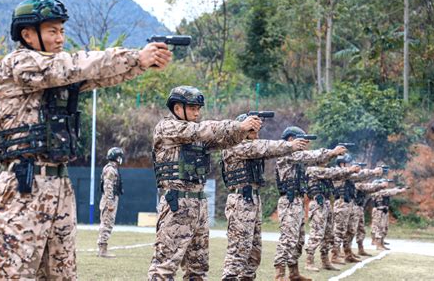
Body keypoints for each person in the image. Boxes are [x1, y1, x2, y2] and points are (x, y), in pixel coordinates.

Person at [0, 0, 172, 280]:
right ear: (27, 34)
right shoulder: (18, 64)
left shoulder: (58, 73)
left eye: (62, 31)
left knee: (61, 273)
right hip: (23, 187)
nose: (60, 38)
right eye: (52, 31)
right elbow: (75, 66)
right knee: (10, 273)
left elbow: (100, 76)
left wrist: (143, 63)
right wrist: (136, 56)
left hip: (59, 186)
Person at [147, 86, 262, 280]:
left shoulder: (196, 134)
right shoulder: (167, 127)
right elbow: (202, 130)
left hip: (198, 205)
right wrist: (238, 125)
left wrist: (243, 132)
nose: (197, 112)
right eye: (192, 107)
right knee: (165, 267)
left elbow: (224, 140)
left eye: (198, 107)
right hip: (177, 205)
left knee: (198, 268)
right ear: (177, 108)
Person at [220, 119, 309, 280]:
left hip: (253, 199)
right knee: (239, 249)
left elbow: (264, 148)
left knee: (254, 252)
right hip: (241, 199)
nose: (257, 135)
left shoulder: (251, 147)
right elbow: (266, 147)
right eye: (253, 131)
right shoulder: (236, 146)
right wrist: (290, 145)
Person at [273, 126, 347, 281]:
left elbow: (315, 159)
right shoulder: (286, 153)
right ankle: (279, 275)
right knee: (288, 239)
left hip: (297, 201)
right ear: (291, 139)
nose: (305, 143)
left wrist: (331, 154)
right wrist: (331, 152)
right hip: (289, 200)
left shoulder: (296, 156)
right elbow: (309, 156)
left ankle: (293, 273)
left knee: (298, 239)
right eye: (301, 139)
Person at [304, 163, 361, 272]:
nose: (327, 160)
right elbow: (332, 172)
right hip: (317, 203)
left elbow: (337, 174)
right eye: (324, 158)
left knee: (328, 234)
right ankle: (309, 261)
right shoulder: (313, 169)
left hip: (326, 202)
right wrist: (349, 169)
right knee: (316, 234)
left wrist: (351, 170)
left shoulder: (326, 171)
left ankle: (325, 261)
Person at [331, 155, 383, 265]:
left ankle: (348, 253)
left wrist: (371, 173)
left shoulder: (348, 174)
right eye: (348, 163)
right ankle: (334, 255)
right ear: (342, 164)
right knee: (339, 231)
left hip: (348, 204)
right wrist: (373, 171)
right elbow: (359, 175)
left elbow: (359, 176)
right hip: (341, 204)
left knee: (350, 230)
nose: (351, 166)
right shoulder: (338, 172)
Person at [97, 147, 125, 258]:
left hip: (112, 198)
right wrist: (110, 202)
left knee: (107, 223)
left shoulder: (112, 168)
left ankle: (102, 248)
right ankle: (102, 250)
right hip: (110, 199)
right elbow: (108, 186)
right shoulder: (111, 170)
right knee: (107, 223)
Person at [349, 179, 388, 257]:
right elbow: (367, 187)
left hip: (360, 208)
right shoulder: (357, 184)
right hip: (354, 207)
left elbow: (370, 189)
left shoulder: (362, 185)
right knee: (352, 230)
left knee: (361, 230)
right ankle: (347, 250)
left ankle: (360, 249)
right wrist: (380, 185)